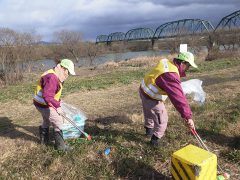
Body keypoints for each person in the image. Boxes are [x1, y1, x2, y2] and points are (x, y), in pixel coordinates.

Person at [139, 52, 197, 146]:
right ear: (182, 63)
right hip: (152, 98)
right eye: (188, 65)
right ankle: (154, 140)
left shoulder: (167, 62)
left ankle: (149, 131)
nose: (188, 68)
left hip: (144, 90)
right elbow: (178, 98)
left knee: (148, 112)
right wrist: (188, 116)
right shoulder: (170, 74)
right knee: (162, 119)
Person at [33, 59, 76, 151]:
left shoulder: (54, 73)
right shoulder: (52, 77)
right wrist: (57, 106)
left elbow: (51, 92)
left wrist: (58, 101)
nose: (68, 75)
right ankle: (60, 147)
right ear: (64, 69)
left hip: (40, 103)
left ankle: (44, 141)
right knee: (58, 121)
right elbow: (47, 96)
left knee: (46, 119)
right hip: (44, 104)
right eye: (68, 73)